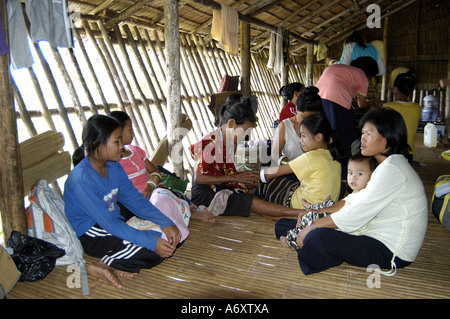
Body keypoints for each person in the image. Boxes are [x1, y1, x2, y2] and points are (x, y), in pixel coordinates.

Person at [275, 108, 428, 276]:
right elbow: (353, 200)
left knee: (317, 237)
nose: (362, 138)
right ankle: (318, 246)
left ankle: (316, 248)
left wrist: (312, 225)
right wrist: (315, 212)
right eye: (362, 133)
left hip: (390, 250)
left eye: (368, 134)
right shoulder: (385, 165)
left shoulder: (393, 169)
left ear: (387, 137)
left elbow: (355, 213)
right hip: (366, 231)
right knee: (283, 225)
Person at [65, 114, 181, 289]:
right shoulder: (81, 180)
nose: (122, 146)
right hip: (92, 232)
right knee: (153, 251)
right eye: (117, 142)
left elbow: (134, 200)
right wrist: (151, 242)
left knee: (171, 239)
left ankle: (115, 260)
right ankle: (102, 265)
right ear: (98, 143)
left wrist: (165, 222)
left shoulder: (113, 166)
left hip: (114, 223)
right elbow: (108, 223)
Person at [190, 97, 303, 220]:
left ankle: (290, 214)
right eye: (245, 131)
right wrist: (236, 177)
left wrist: (243, 176)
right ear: (232, 123)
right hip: (206, 195)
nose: (246, 136)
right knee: (252, 202)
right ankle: (303, 214)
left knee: (262, 184)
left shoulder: (230, 141)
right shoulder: (211, 141)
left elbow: (224, 172)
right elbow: (198, 178)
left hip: (220, 186)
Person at [108, 110, 215, 226]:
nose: (133, 132)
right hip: (139, 199)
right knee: (159, 203)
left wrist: (150, 187)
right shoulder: (113, 161)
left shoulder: (135, 151)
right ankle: (189, 212)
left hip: (155, 190)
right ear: (118, 132)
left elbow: (155, 172)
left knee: (169, 194)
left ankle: (184, 209)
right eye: (130, 129)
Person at [280, 153, 378, 250]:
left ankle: (291, 241)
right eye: (350, 173)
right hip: (337, 220)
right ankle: (312, 207)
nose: (353, 177)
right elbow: (339, 206)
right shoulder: (355, 193)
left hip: (344, 228)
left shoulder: (364, 196)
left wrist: (315, 214)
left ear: (373, 176)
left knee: (309, 217)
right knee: (329, 204)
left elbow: (345, 217)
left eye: (359, 173)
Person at [256, 113, 343, 210]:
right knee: (288, 182)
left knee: (269, 183)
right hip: (326, 206)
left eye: (303, 136)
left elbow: (269, 174)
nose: (300, 140)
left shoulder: (311, 157)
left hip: (302, 206)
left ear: (318, 137)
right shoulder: (333, 155)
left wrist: (250, 175)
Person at [315, 56, 379, 180]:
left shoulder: (340, 68)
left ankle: (323, 171)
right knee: (342, 140)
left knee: (324, 136)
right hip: (336, 102)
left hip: (319, 99)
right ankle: (344, 176)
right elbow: (361, 103)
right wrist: (374, 103)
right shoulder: (362, 76)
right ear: (370, 72)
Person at [271, 86, 323, 165]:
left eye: (311, 118)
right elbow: (275, 153)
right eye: (303, 117)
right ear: (296, 108)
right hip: (292, 174)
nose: (307, 121)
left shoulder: (319, 126)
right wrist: (291, 165)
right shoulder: (285, 126)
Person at [382, 71, 421, 163]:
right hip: (408, 152)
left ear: (396, 89)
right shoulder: (417, 107)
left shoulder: (388, 106)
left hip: (392, 152)